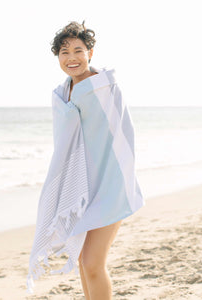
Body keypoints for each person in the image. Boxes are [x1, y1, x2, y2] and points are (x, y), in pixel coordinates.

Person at [27, 21, 144, 300]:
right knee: (82, 262)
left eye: (78, 50)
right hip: (81, 189)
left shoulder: (106, 89)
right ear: (57, 58)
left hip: (110, 186)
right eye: (64, 52)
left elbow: (123, 140)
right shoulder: (61, 94)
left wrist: (117, 182)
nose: (71, 58)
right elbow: (66, 147)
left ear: (90, 52)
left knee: (93, 263)